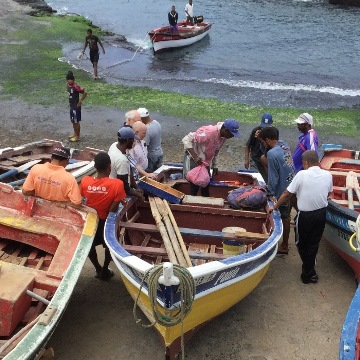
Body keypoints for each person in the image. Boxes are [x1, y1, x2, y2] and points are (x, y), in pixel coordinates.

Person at [269, 150, 333, 284]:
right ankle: (309, 270)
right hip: (321, 214)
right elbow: (328, 194)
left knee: (301, 242)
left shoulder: (301, 175)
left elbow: (287, 194)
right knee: (314, 243)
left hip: (305, 216)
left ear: (306, 162)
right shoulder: (328, 175)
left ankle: (309, 273)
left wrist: (274, 207)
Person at [80, 152, 126, 280]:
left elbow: (82, 200)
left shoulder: (85, 181)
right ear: (109, 167)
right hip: (106, 222)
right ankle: (105, 269)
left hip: (90, 222)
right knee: (109, 246)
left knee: (89, 245)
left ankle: (98, 268)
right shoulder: (117, 184)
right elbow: (114, 208)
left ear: (95, 167)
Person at [257, 127, 295, 255]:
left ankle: (284, 246)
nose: (263, 144)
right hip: (291, 184)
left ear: (267, 140)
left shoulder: (272, 154)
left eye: (263, 142)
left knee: (284, 216)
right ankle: (285, 243)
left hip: (282, 189)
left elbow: (273, 177)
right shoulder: (284, 145)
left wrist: (270, 193)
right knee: (287, 215)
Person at [182, 118, 240, 196]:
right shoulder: (208, 133)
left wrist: (215, 165)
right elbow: (186, 139)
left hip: (205, 161)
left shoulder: (223, 137)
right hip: (193, 157)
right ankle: (191, 203)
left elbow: (216, 151)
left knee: (206, 183)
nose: (232, 136)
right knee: (194, 184)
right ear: (225, 130)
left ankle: (205, 203)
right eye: (232, 134)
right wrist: (195, 156)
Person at [108, 126, 145, 201]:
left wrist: (136, 187)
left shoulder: (114, 145)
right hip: (117, 194)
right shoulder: (121, 160)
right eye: (133, 139)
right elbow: (124, 187)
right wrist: (139, 195)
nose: (134, 141)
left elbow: (129, 170)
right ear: (128, 141)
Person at [244, 113, 273, 183]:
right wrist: (246, 160)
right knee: (254, 179)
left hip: (266, 161)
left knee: (266, 180)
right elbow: (248, 145)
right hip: (255, 159)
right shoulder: (255, 131)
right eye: (263, 127)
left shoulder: (273, 133)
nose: (264, 129)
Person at [137, 108, 163, 173]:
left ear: (142, 118)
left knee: (150, 175)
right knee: (158, 173)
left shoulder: (147, 129)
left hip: (151, 157)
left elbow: (144, 145)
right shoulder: (156, 123)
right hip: (159, 153)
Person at [66, 71, 87, 142]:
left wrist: (80, 101)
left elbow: (85, 92)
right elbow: (70, 95)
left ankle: (77, 136)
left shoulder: (75, 86)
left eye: (71, 79)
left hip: (76, 107)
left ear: (73, 79)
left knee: (76, 122)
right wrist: (69, 102)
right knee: (73, 121)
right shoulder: (68, 85)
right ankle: (75, 134)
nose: (70, 80)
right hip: (71, 106)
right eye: (68, 79)